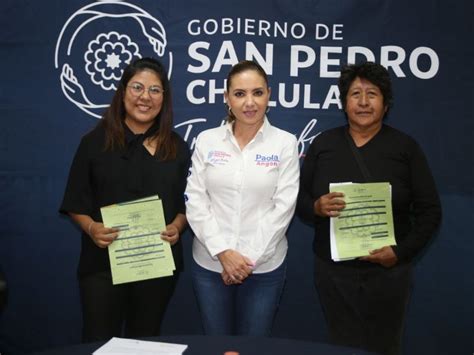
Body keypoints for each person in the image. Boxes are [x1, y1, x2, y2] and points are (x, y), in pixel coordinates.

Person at [297, 61, 441, 355]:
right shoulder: (324, 144)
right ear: (344, 102)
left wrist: (399, 253)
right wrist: (316, 205)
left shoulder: (406, 148)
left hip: (389, 274)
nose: (363, 102)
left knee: (385, 347)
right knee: (342, 346)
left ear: (385, 104)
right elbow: (297, 198)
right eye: (355, 94)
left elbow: (430, 211)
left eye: (372, 94)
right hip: (334, 273)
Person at [59, 57, 190, 342]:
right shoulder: (94, 142)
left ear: (164, 98)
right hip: (102, 265)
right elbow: (75, 202)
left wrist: (177, 227)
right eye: (137, 87)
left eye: (155, 90)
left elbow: (187, 205)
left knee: (145, 341)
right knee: (99, 340)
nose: (145, 97)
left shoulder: (177, 147)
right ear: (122, 92)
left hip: (156, 265)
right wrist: (92, 228)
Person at [185, 60, 300, 336]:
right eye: (239, 94)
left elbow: (283, 209)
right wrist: (223, 252)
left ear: (269, 94)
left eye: (257, 92)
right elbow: (195, 199)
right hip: (211, 264)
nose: (250, 102)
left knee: (254, 346)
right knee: (216, 344)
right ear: (226, 98)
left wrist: (245, 260)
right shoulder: (207, 140)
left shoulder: (285, 143)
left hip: (264, 268)